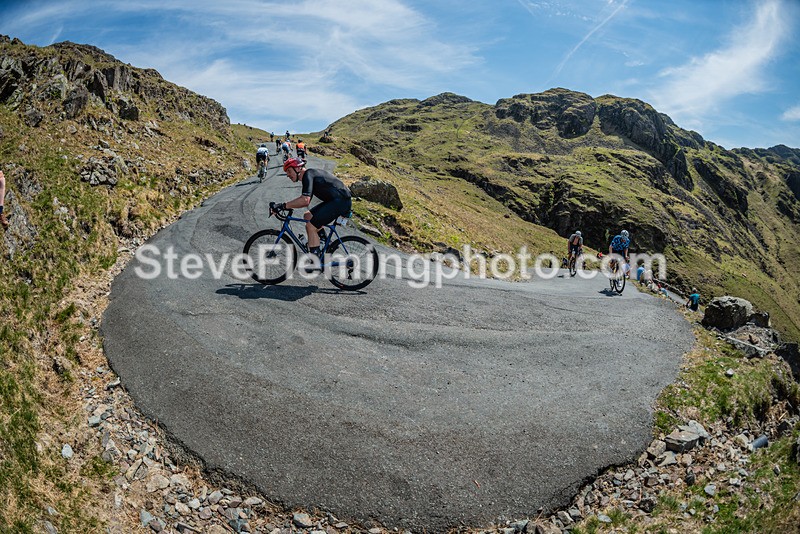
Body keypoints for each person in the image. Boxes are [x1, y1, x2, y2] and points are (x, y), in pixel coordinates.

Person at [271, 158, 352, 254]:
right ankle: (326, 242)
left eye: (289, 171)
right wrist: (286, 205)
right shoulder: (310, 175)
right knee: (308, 216)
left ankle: (315, 261)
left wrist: (283, 206)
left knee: (311, 226)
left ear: (298, 168)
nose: (288, 175)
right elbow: (305, 199)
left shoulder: (308, 175)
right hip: (337, 200)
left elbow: (305, 200)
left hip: (340, 202)